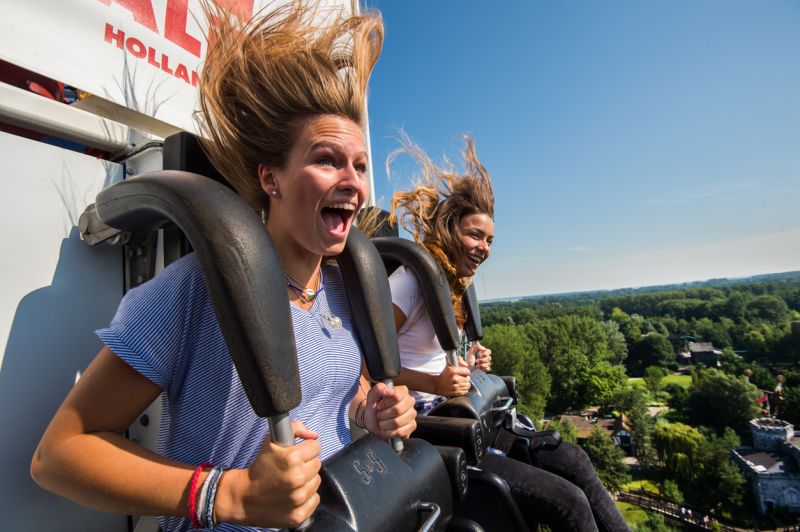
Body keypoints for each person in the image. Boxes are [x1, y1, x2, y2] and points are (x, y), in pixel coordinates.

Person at [30, 3, 416, 531]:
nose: (353, 180)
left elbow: (336, 394)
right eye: (327, 159)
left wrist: (368, 410)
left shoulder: (342, 288)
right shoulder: (198, 288)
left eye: (360, 166)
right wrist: (229, 493)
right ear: (271, 178)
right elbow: (59, 454)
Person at [385, 137, 630, 532]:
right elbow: (367, 364)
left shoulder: (451, 287)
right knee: (568, 505)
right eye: (475, 235)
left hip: (462, 413)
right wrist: (434, 382)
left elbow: (431, 357)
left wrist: (467, 365)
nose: (484, 248)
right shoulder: (412, 280)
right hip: (430, 428)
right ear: (449, 230)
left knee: (576, 463)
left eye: (490, 240)